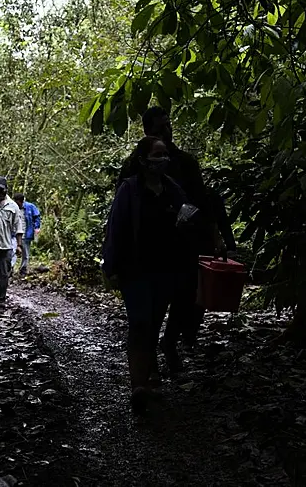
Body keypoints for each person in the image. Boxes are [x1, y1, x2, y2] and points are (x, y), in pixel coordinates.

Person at [117, 106, 224, 371]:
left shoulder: (184, 162)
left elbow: (202, 201)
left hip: (184, 244)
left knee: (186, 297)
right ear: (148, 131)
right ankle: (147, 366)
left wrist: (214, 236)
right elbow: (121, 208)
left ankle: (171, 342)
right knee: (150, 309)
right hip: (146, 247)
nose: (167, 131)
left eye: (168, 125)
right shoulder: (135, 163)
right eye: (160, 128)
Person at [102, 136, 201, 414]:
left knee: (154, 322)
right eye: (157, 155)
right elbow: (116, 227)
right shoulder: (129, 190)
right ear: (144, 160)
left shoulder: (173, 190)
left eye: (165, 154)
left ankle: (145, 380)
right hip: (135, 270)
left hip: (166, 270)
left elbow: (189, 221)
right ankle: (138, 385)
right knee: (140, 322)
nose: (163, 159)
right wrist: (110, 266)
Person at [13, 193, 42, 277]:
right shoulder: (13, 207)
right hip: (14, 234)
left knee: (25, 254)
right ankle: (10, 269)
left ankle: (23, 269)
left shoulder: (30, 207)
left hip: (26, 234)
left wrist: (37, 228)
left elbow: (37, 217)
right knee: (12, 252)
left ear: (21, 201)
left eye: (17, 202)